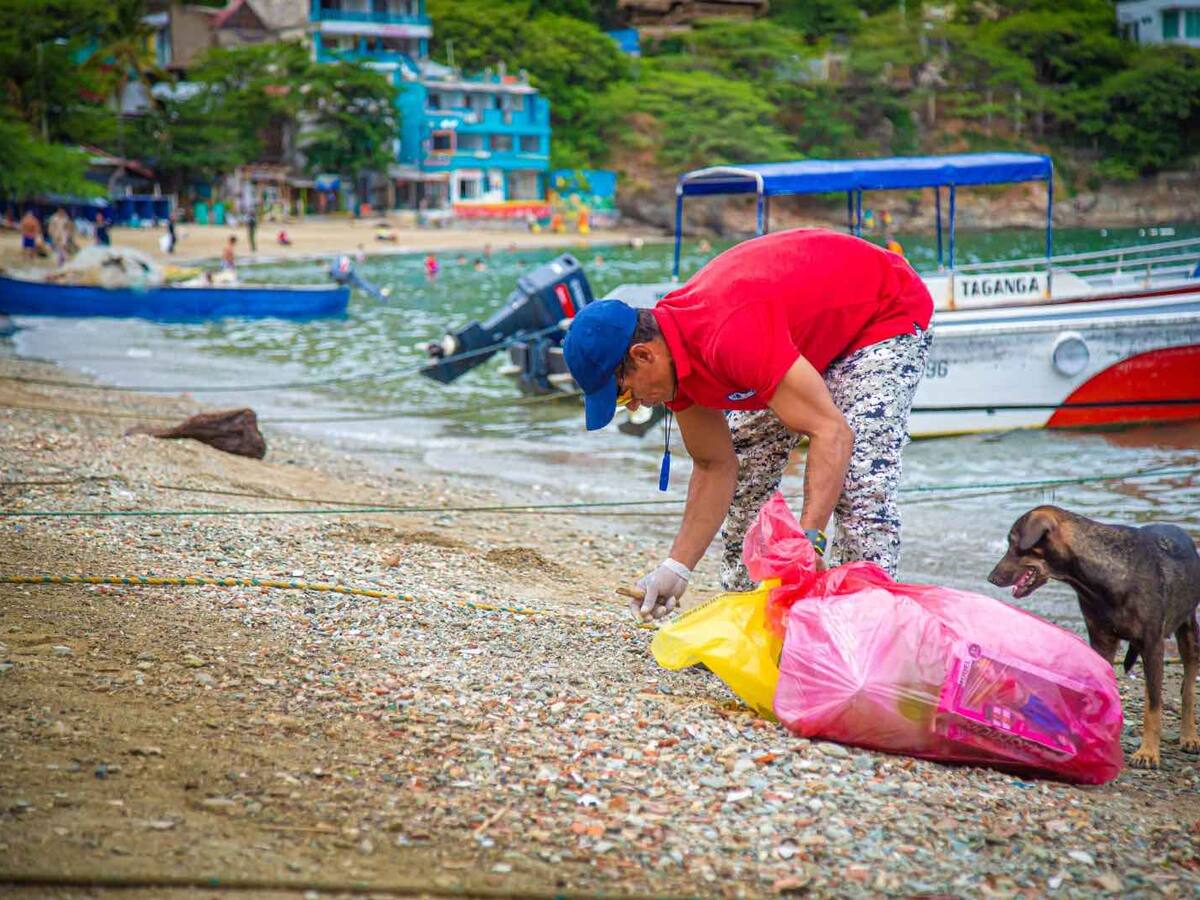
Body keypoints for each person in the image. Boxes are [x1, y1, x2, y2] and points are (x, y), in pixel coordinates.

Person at [562, 228, 934, 621]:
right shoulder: (675, 364)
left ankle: (867, 627)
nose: (634, 403)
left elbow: (830, 431)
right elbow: (714, 464)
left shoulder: (728, 334)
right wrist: (676, 568)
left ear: (643, 354)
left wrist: (810, 540)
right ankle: (749, 616)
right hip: (798, 338)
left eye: (623, 394)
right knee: (747, 460)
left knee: (860, 481)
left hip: (881, 313)